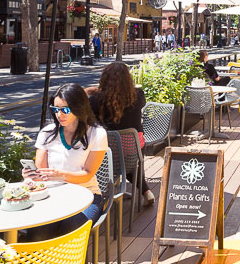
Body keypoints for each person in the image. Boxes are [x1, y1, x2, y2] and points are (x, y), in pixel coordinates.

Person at [25, 83, 107, 239]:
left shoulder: (97, 134)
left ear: (79, 108)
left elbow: (87, 175)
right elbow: (41, 173)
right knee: (38, 230)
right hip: (52, 195)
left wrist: (59, 174)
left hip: (87, 195)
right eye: (55, 109)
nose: (59, 114)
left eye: (65, 110)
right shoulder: (47, 133)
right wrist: (30, 175)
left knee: (71, 230)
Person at [87, 62, 155, 204]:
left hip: (107, 153)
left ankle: (113, 191)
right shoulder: (138, 96)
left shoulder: (95, 100)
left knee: (113, 157)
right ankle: (145, 191)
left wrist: (90, 92)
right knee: (128, 163)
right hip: (134, 148)